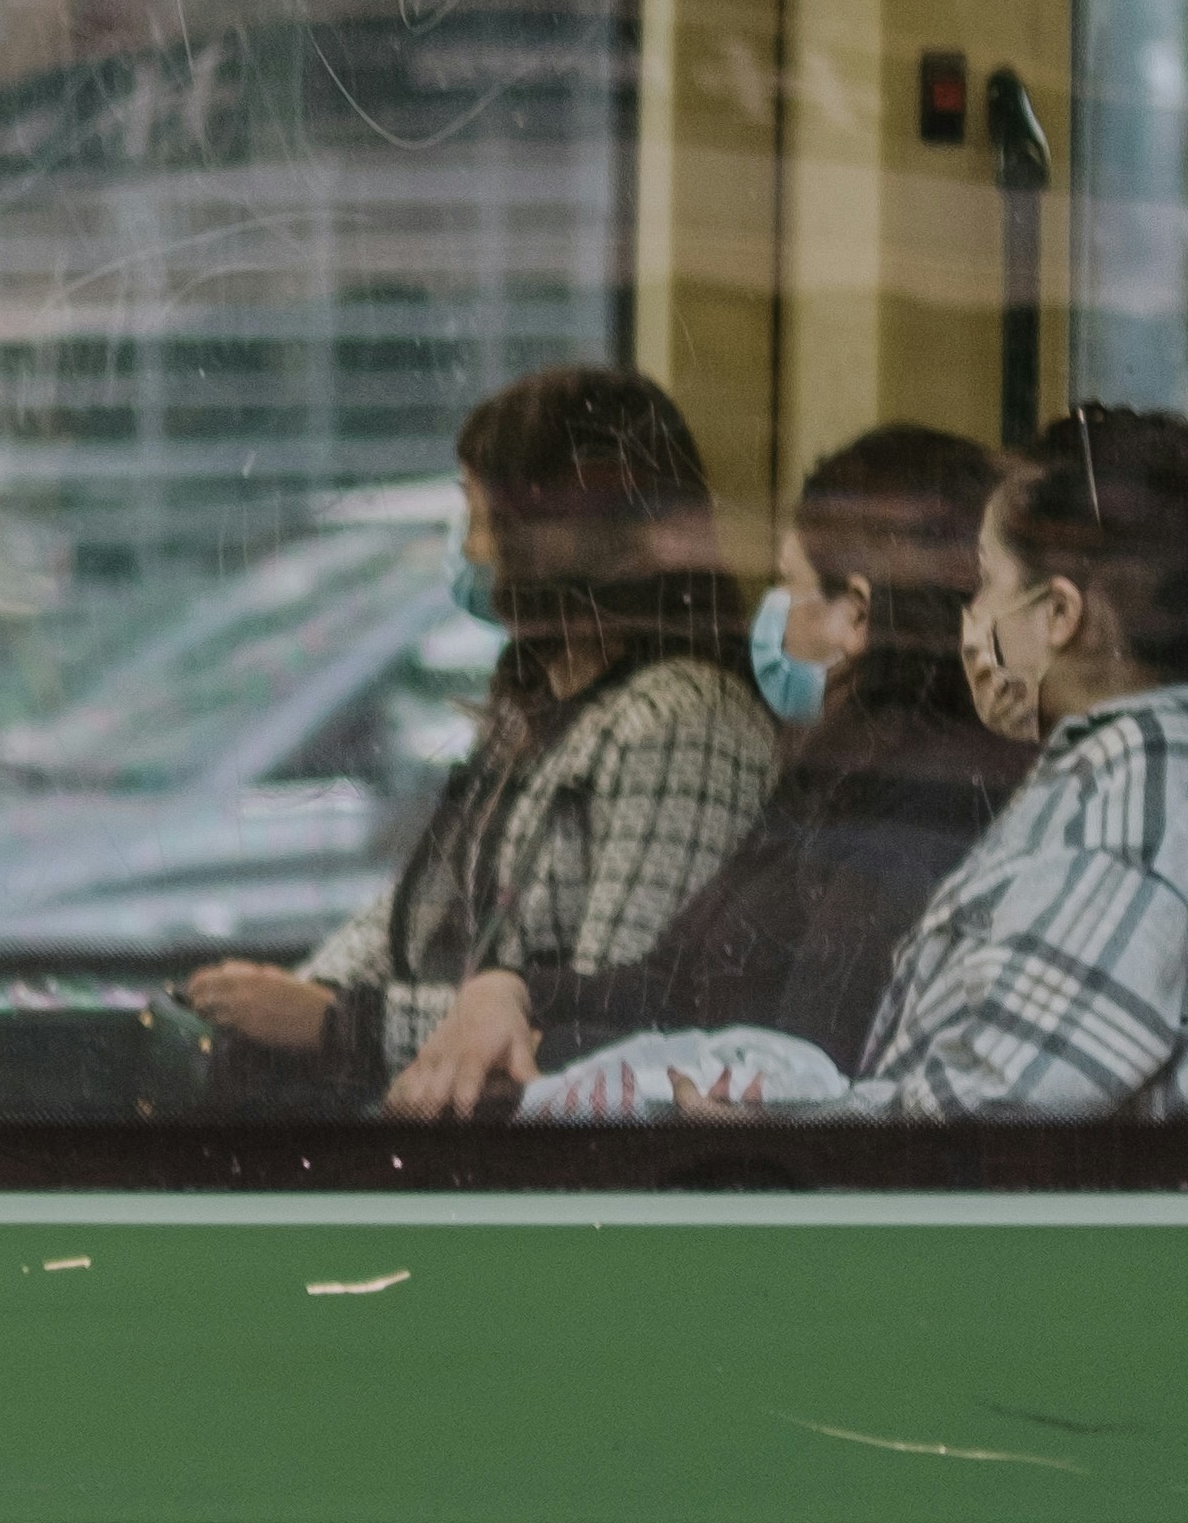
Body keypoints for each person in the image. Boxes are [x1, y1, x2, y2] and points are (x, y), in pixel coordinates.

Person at [389, 425, 1036, 1115]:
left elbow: (794, 1065)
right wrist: (512, 991)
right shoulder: (835, 772)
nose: (772, 617)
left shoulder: (914, 803)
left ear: (856, 615)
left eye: (787, 586)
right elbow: (672, 984)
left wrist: (536, 1060)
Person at [176, 367, 780, 1098]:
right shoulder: (537, 709)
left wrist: (343, 1021)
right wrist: (287, 997)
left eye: (480, 516)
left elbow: (604, 1013)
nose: (470, 552)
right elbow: (415, 914)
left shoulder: (683, 723)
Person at [714, 405, 1188, 1123]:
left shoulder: (1122, 821)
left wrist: (773, 1129)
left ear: (1058, 613)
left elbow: (981, 1117)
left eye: (986, 581)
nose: (972, 617)